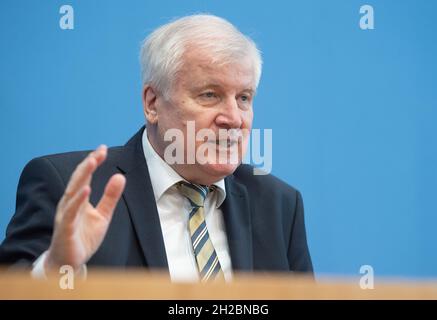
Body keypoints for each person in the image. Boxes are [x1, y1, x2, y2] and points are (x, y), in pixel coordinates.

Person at [0, 14, 313, 282]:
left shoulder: (279, 205)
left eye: (244, 97)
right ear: (152, 103)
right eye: (209, 94)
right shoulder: (71, 187)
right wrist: (56, 268)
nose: (233, 118)